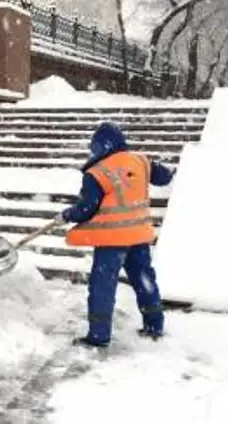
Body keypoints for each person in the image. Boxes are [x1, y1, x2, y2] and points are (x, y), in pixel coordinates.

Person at [58, 121, 175, 348]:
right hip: (139, 236)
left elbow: (85, 209)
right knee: (144, 280)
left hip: (112, 239)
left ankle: (99, 336)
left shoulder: (97, 173)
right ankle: (154, 325)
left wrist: (68, 214)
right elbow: (164, 177)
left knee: (103, 285)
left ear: (99, 146)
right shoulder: (140, 161)